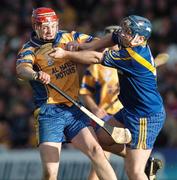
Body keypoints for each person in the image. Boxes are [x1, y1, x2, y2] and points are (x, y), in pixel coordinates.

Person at [15, 7, 130, 180]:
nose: (49, 30)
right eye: (44, 26)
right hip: (50, 113)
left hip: (74, 109)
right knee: (50, 173)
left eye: (53, 25)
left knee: (96, 151)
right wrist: (36, 74)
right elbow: (22, 69)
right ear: (35, 26)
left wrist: (81, 46)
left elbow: (98, 44)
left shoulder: (69, 37)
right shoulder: (29, 49)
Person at [49, 15, 166, 180]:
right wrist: (85, 46)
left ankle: (141, 163)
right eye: (124, 29)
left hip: (145, 117)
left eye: (128, 32)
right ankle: (144, 160)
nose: (123, 33)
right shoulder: (129, 39)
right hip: (130, 110)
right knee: (101, 139)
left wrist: (65, 54)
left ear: (140, 38)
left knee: (134, 171)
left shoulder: (132, 57)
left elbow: (97, 58)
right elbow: (112, 37)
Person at [80, 26, 123, 180]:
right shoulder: (96, 67)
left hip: (125, 116)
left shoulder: (127, 63)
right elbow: (85, 92)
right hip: (104, 117)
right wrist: (95, 109)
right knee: (102, 157)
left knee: (106, 157)